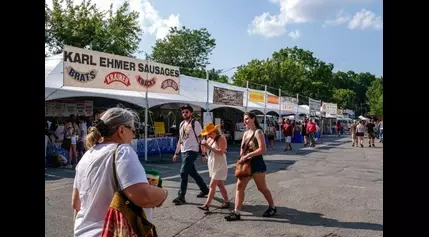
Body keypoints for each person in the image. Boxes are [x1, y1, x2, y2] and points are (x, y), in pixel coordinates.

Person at [72, 107, 168, 237]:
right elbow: (144, 196)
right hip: (110, 232)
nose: (134, 135)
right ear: (121, 130)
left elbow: (76, 204)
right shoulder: (122, 151)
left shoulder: (87, 155)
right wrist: (163, 193)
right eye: (133, 130)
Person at [224, 112, 276, 221]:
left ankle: (272, 207)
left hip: (257, 164)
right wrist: (241, 157)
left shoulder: (258, 132)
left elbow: (262, 149)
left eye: (247, 119)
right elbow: (242, 149)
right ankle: (236, 212)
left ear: (253, 119)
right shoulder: (246, 133)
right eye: (244, 119)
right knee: (239, 187)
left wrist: (248, 155)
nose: (245, 121)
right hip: (246, 164)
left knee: (261, 188)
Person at [172, 104, 210, 205]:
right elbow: (180, 140)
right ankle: (205, 190)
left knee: (183, 172)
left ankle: (181, 196)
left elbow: (202, 138)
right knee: (192, 173)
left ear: (191, 113)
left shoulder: (195, 123)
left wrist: (203, 154)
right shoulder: (181, 124)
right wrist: (176, 153)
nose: (184, 114)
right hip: (184, 151)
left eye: (186, 112)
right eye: (183, 112)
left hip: (192, 151)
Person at [197, 123, 230, 211]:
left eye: (210, 133)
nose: (209, 135)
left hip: (220, 164)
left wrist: (208, 147)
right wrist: (203, 147)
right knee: (220, 185)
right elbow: (204, 150)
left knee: (212, 185)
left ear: (215, 131)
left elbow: (221, 152)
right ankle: (226, 201)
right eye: (208, 134)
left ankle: (207, 205)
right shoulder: (209, 139)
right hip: (212, 163)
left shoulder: (221, 138)